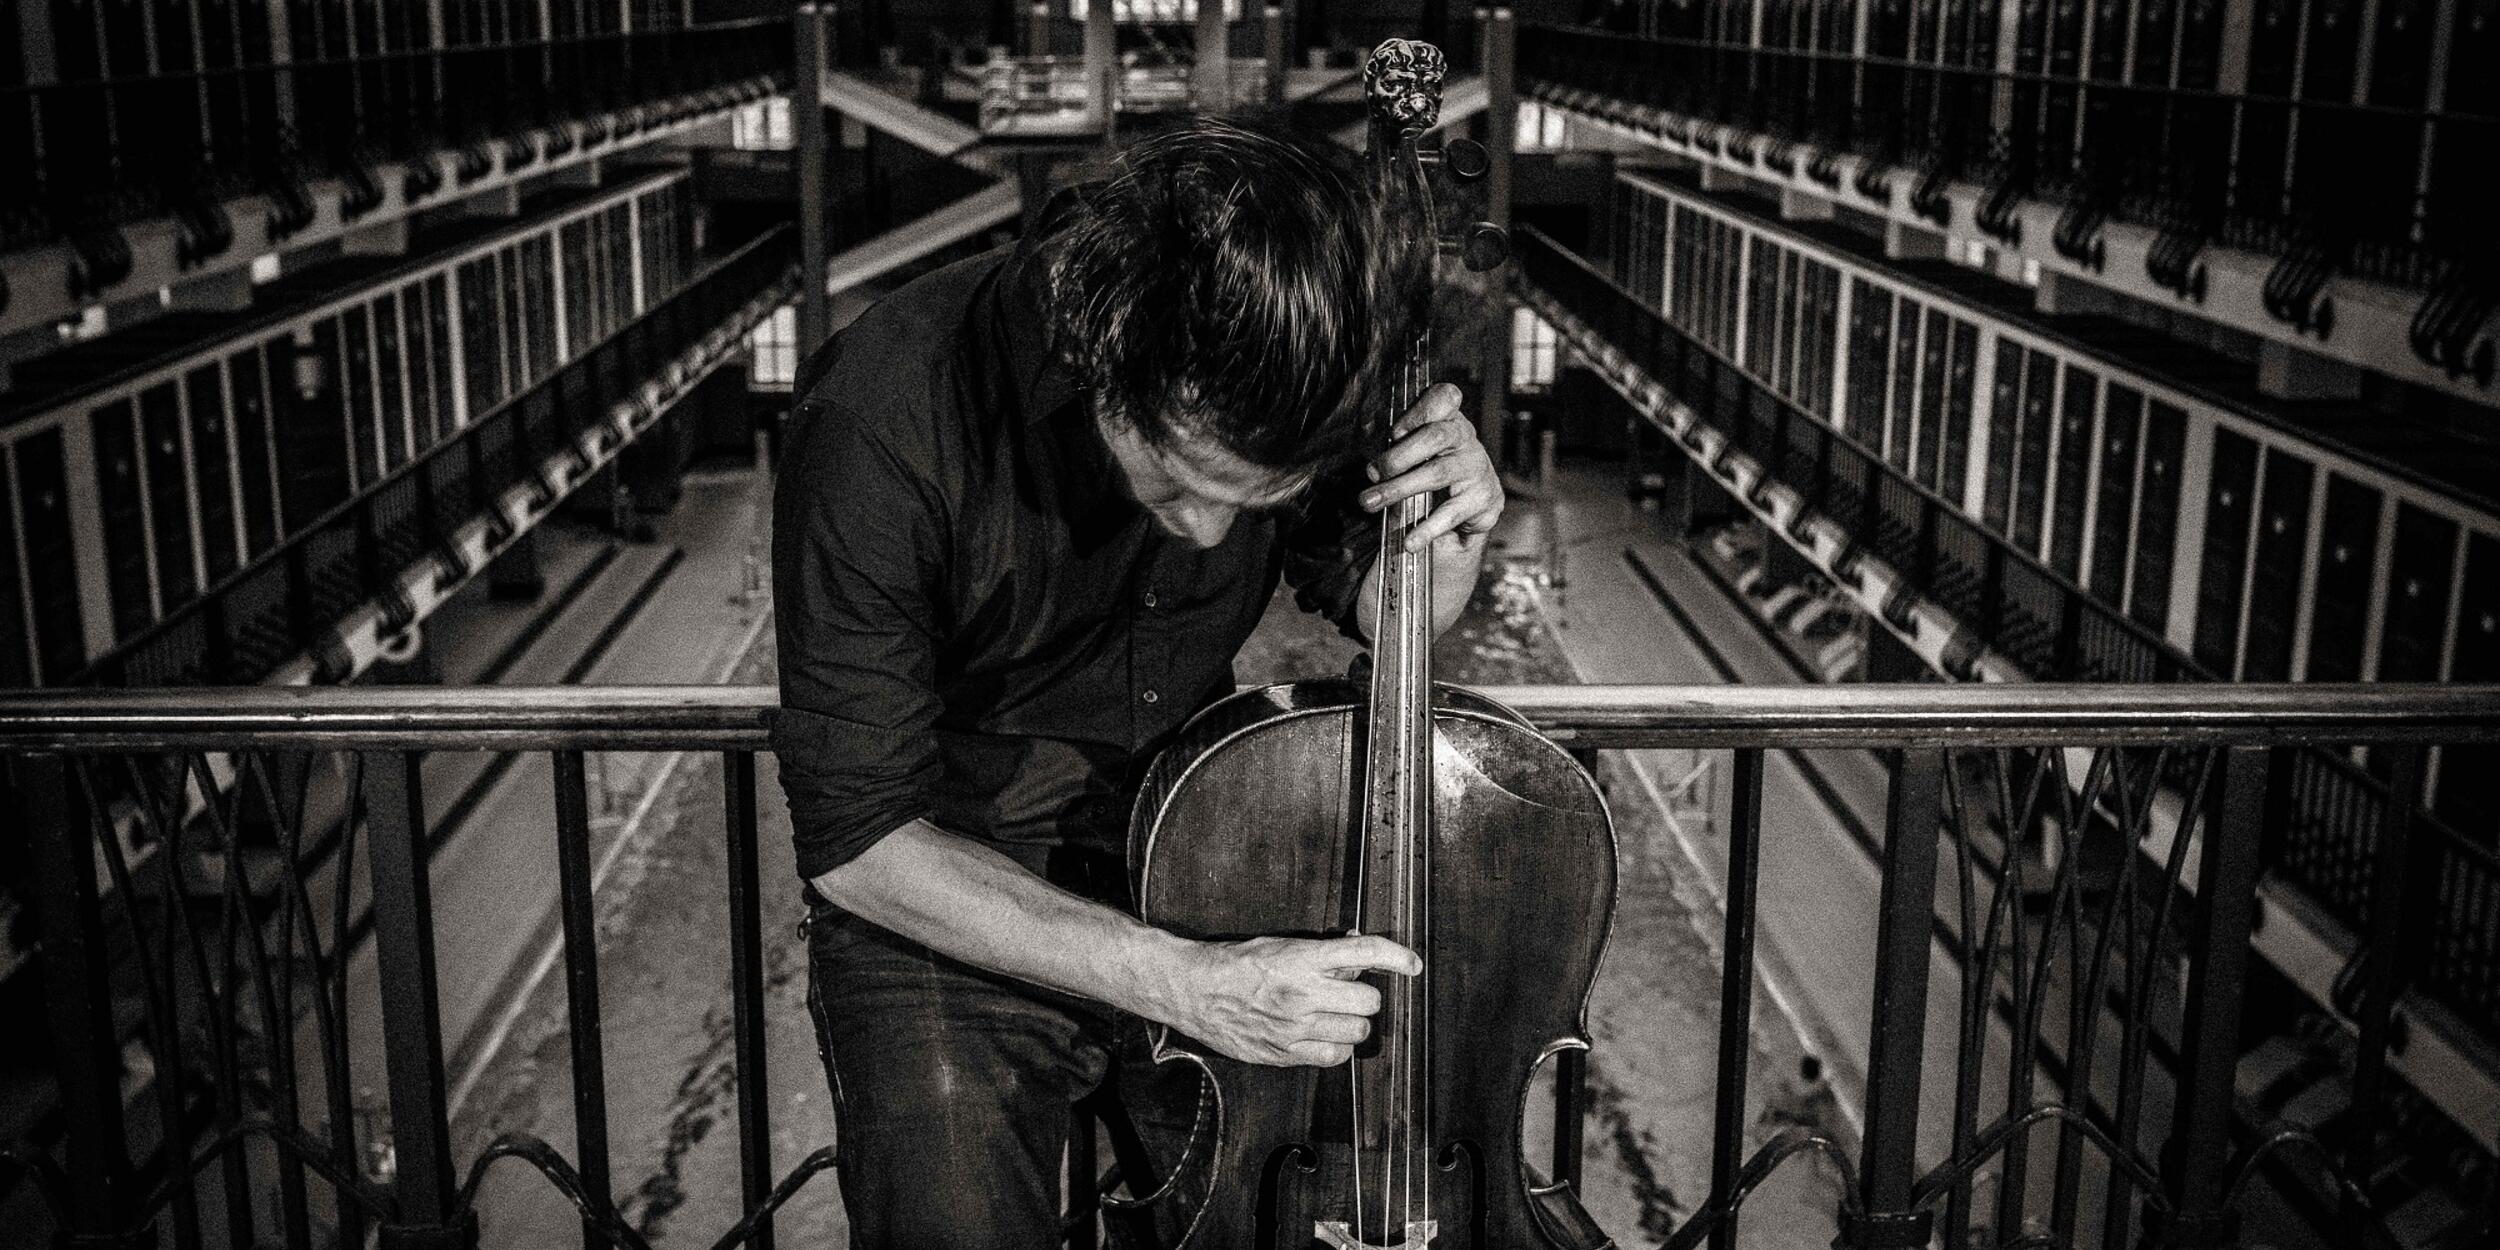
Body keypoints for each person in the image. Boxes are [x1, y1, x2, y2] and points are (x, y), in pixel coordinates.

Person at [769, 116, 1504, 1248]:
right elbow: (858, 840)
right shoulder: (879, 421)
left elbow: (1372, 603)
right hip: (948, 880)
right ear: (1100, 355)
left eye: (1254, 499)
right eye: (1179, 485)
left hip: (1202, 845)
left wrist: (1442, 536)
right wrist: (1187, 984)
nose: (1214, 532)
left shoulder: (1282, 366)